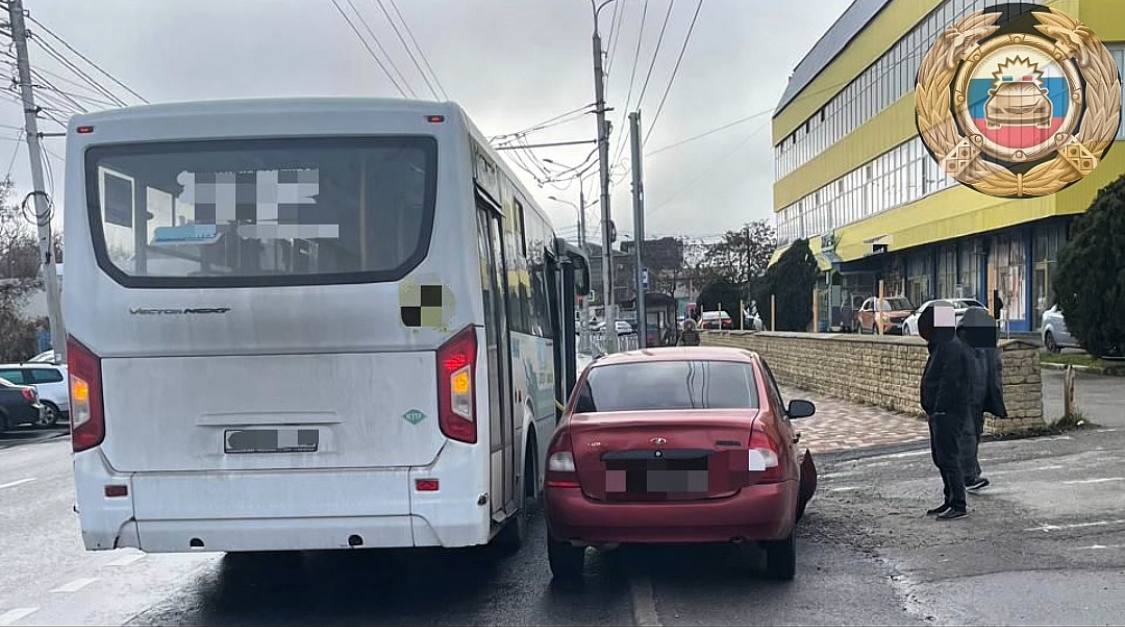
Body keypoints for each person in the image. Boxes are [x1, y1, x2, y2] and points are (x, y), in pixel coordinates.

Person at [917, 301, 976, 520]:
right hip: (939, 413)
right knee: (940, 458)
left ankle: (958, 503)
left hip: (947, 413)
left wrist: (939, 408)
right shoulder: (942, 345)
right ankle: (949, 498)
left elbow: (950, 382)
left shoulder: (950, 347)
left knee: (949, 458)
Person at [956, 307, 1008, 492]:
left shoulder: (986, 347)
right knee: (968, 436)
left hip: (979, 397)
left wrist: (994, 395)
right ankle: (968, 477)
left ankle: (970, 473)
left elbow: (994, 370)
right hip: (964, 398)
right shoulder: (961, 346)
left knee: (974, 434)